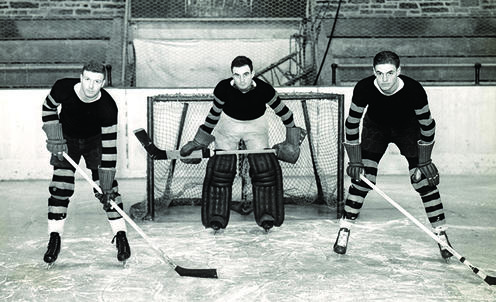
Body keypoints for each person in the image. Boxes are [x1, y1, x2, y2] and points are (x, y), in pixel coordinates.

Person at [333, 51, 453, 259]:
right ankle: (344, 229)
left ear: (399, 71)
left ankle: (442, 236)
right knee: (363, 180)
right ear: (373, 72)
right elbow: (351, 123)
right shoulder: (364, 88)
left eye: (390, 73)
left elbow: (428, 125)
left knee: (423, 181)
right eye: (379, 74)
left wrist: (425, 159)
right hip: (375, 129)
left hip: (408, 130)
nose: (385, 79)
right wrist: (355, 159)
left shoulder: (414, 90)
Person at [180, 55, 306, 232]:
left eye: (246, 74)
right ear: (232, 75)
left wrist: (292, 140)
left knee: (264, 168)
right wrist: (199, 141)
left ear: (253, 73)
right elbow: (213, 115)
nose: (242, 79)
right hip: (228, 125)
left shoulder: (265, 89)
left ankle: (266, 214)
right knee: (220, 169)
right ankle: (216, 216)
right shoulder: (223, 88)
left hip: (256, 125)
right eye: (237, 75)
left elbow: (284, 113)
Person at [41, 61, 131, 265]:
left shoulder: (108, 107)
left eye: (97, 81)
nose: (91, 85)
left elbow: (109, 147)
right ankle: (54, 239)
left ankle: (121, 237)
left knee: (109, 192)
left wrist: (106, 183)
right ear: (81, 77)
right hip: (67, 141)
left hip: (95, 142)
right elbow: (48, 107)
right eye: (87, 79)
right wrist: (54, 136)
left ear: (103, 83)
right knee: (60, 187)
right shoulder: (63, 88)